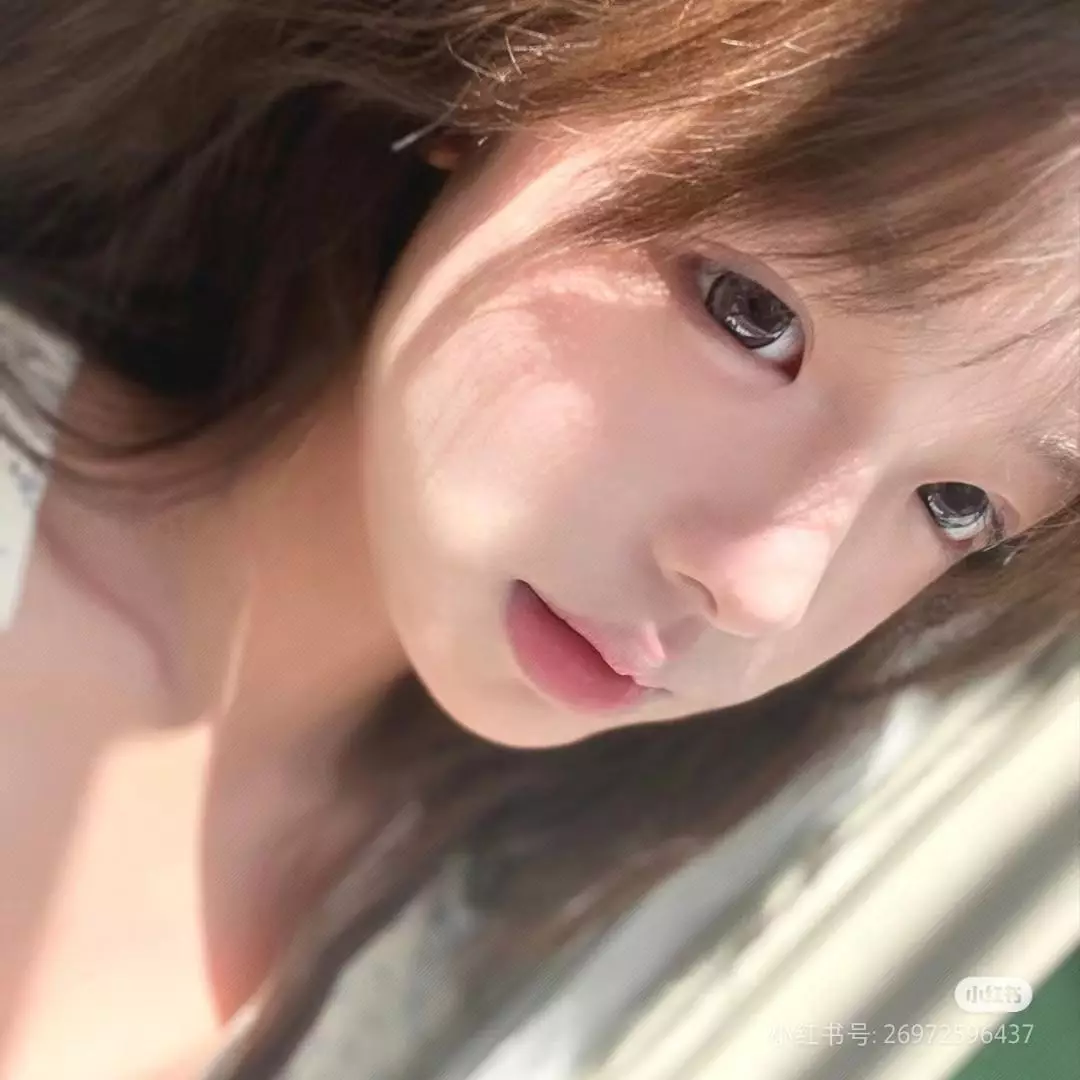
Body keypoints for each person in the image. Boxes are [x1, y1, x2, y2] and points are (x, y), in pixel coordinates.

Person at [0, 0, 1076, 1077]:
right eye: (752, 314)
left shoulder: (549, 944)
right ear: (523, 64)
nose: (768, 589)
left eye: (958, 504)